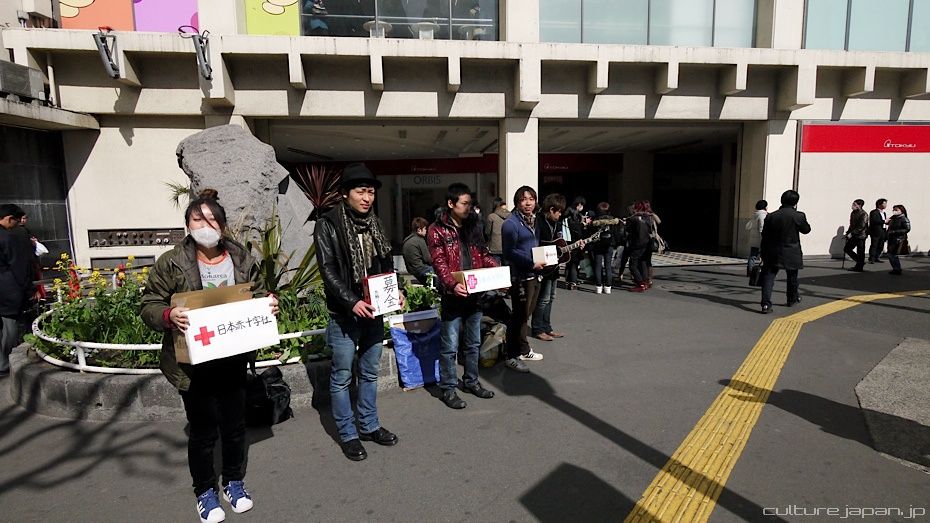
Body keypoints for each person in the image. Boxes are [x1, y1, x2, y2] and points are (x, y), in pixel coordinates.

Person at [140, 189, 279, 523]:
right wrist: (167, 315)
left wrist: (269, 304)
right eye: (197, 219)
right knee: (203, 431)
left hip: (233, 357)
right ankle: (204, 491)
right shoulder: (172, 261)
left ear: (223, 225)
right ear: (187, 225)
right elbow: (149, 303)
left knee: (234, 426)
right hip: (193, 363)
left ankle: (233, 482)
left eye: (212, 219)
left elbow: (259, 294)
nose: (205, 225)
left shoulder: (241, 258)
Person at [314, 163, 402, 462]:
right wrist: (351, 301)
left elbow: (386, 263)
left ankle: (369, 425)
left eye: (371, 192)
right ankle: (348, 434)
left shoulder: (375, 223)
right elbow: (328, 269)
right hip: (345, 313)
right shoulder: (328, 224)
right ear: (344, 193)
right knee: (341, 377)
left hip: (374, 311)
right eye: (361, 191)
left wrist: (396, 289)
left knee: (369, 372)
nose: (367, 198)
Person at [427, 183, 499, 409]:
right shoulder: (437, 229)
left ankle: (471, 382)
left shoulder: (474, 225)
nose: (469, 208)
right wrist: (451, 284)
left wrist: (497, 272)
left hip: (475, 293)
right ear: (451, 203)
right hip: (453, 295)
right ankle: (448, 389)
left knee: (473, 343)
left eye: (470, 203)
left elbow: (484, 254)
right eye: (464, 203)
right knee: (450, 346)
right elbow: (439, 262)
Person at [501, 186, 547, 373]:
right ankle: (511, 355)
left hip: (534, 274)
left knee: (524, 315)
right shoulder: (511, 223)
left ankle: (523, 349)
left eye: (531, 199)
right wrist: (531, 263)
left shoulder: (534, 221)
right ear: (517, 202)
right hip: (520, 276)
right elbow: (509, 252)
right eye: (523, 199)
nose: (528, 203)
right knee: (518, 316)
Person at [759, 190, 811, 314]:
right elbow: (806, 230)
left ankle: (765, 304)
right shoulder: (798, 216)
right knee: (792, 276)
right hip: (791, 251)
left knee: (769, 277)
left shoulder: (771, 216)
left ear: (782, 200)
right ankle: (791, 299)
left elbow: (765, 236)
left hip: (773, 250)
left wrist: (763, 252)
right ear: (795, 202)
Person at [1, 204, 37, 378]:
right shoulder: (9, 237)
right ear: (9, 219)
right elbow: (19, 266)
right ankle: (6, 363)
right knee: (10, 327)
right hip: (8, 291)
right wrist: (29, 289)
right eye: (16, 221)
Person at [532, 193, 573, 341]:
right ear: (551, 209)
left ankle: (547, 327)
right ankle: (538, 328)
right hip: (543, 266)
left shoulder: (557, 223)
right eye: (558, 211)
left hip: (554, 265)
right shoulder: (538, 222)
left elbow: (559, 242)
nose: (560, 215)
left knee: (551, 297)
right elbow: (535, 244)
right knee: (543, 299)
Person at [588, 202, 616, 294]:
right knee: (608, 266)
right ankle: (608, 287)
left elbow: (590, 232)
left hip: (598, 244)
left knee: (598, 266)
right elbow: (615, 232)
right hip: (609, 244)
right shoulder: (612, 219)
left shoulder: (595, 220)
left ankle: (598, 286)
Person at [626, 202, 654, 293]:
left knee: (632, 265)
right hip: (647, 243)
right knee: (643, 262)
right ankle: (645, 282)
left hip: (637, 243)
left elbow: (628, 230)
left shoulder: (633, 218)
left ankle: (640, 284)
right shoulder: (648, 217)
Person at [402, 217, 433, 285]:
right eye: (425, 228)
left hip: (411, 270)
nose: (426, 231)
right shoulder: (419, 240)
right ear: (419, 230)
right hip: (422, 269)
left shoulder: (406, 240)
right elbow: (428, 259)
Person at [564, 196, 587, 289]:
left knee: (568, 262)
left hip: (565, 241)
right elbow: (577, 231)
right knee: (574, 263)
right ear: (579, 205)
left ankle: (567, 281)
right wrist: (583, 225)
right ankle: (573, 282)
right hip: (575, 242)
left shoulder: (566, 215)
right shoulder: (575, 216)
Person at [843, 199, 868, 272]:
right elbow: (851, 224)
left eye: (854, 204)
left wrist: (852, 233)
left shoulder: (864, 214)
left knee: (860, 251)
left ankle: (859, 266)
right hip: (853, 234)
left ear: (859, 205)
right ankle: (860, 262)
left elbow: (861, 226)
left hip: (861, 235)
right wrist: (848, 232)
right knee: (847, 249)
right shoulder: (853, 213)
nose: (852, 206)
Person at [885, 204, 910, 276]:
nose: (894, 211)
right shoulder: (894, 218)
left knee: (893, 254)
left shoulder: (904, 219)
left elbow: (907, 229)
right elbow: (889, 225)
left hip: (898, 239)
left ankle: (897, 269)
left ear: (901, 211)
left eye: (896, 210)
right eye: (893, 210)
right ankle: (896, 268)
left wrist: (895, 232)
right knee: (890, 254)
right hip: (891, 238)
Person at [485, 197, 510, 264]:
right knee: (507, 268)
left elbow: (487, 232)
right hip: (507, 246)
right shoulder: (510, 216)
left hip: (495, 247)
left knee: (496, 267)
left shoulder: (491, 216)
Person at [746, 200, 767, 275]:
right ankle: (763, 272)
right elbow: (762, 227)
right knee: (764, 256)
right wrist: (764, 238)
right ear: (765, 207)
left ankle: (749, 271)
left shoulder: (755, 214)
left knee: (752, 256)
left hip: (754, 239)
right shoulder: (762, 215)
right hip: (760, 239)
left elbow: (748, 226)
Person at [868, 198, 888, 263]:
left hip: (883, 230)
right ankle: (871, 258)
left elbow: (883, 222)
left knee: (881, 245)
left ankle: (877, 257)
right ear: (879, 204)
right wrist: (884, 221)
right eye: (884, 203)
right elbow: (874, 221)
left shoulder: (884, 213)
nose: (886, 205)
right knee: (874, 245)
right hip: (875, 231)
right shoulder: (874, 212)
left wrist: (886, 222)